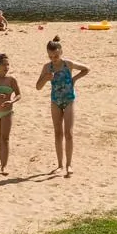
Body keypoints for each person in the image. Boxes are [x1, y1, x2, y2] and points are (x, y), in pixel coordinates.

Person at [35, 39, 90, 178]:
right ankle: (59, 165)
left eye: (56, 56)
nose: (53, 59)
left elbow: (86, 69)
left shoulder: (68, 64)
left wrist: (75, 79)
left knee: (69, 133)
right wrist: (46, 78)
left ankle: (69, 165)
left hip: (69, 100)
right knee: (58, 133)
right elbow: (38, 87)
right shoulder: (47, 67)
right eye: (51, 56)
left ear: (61, 52)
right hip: (55, 102)